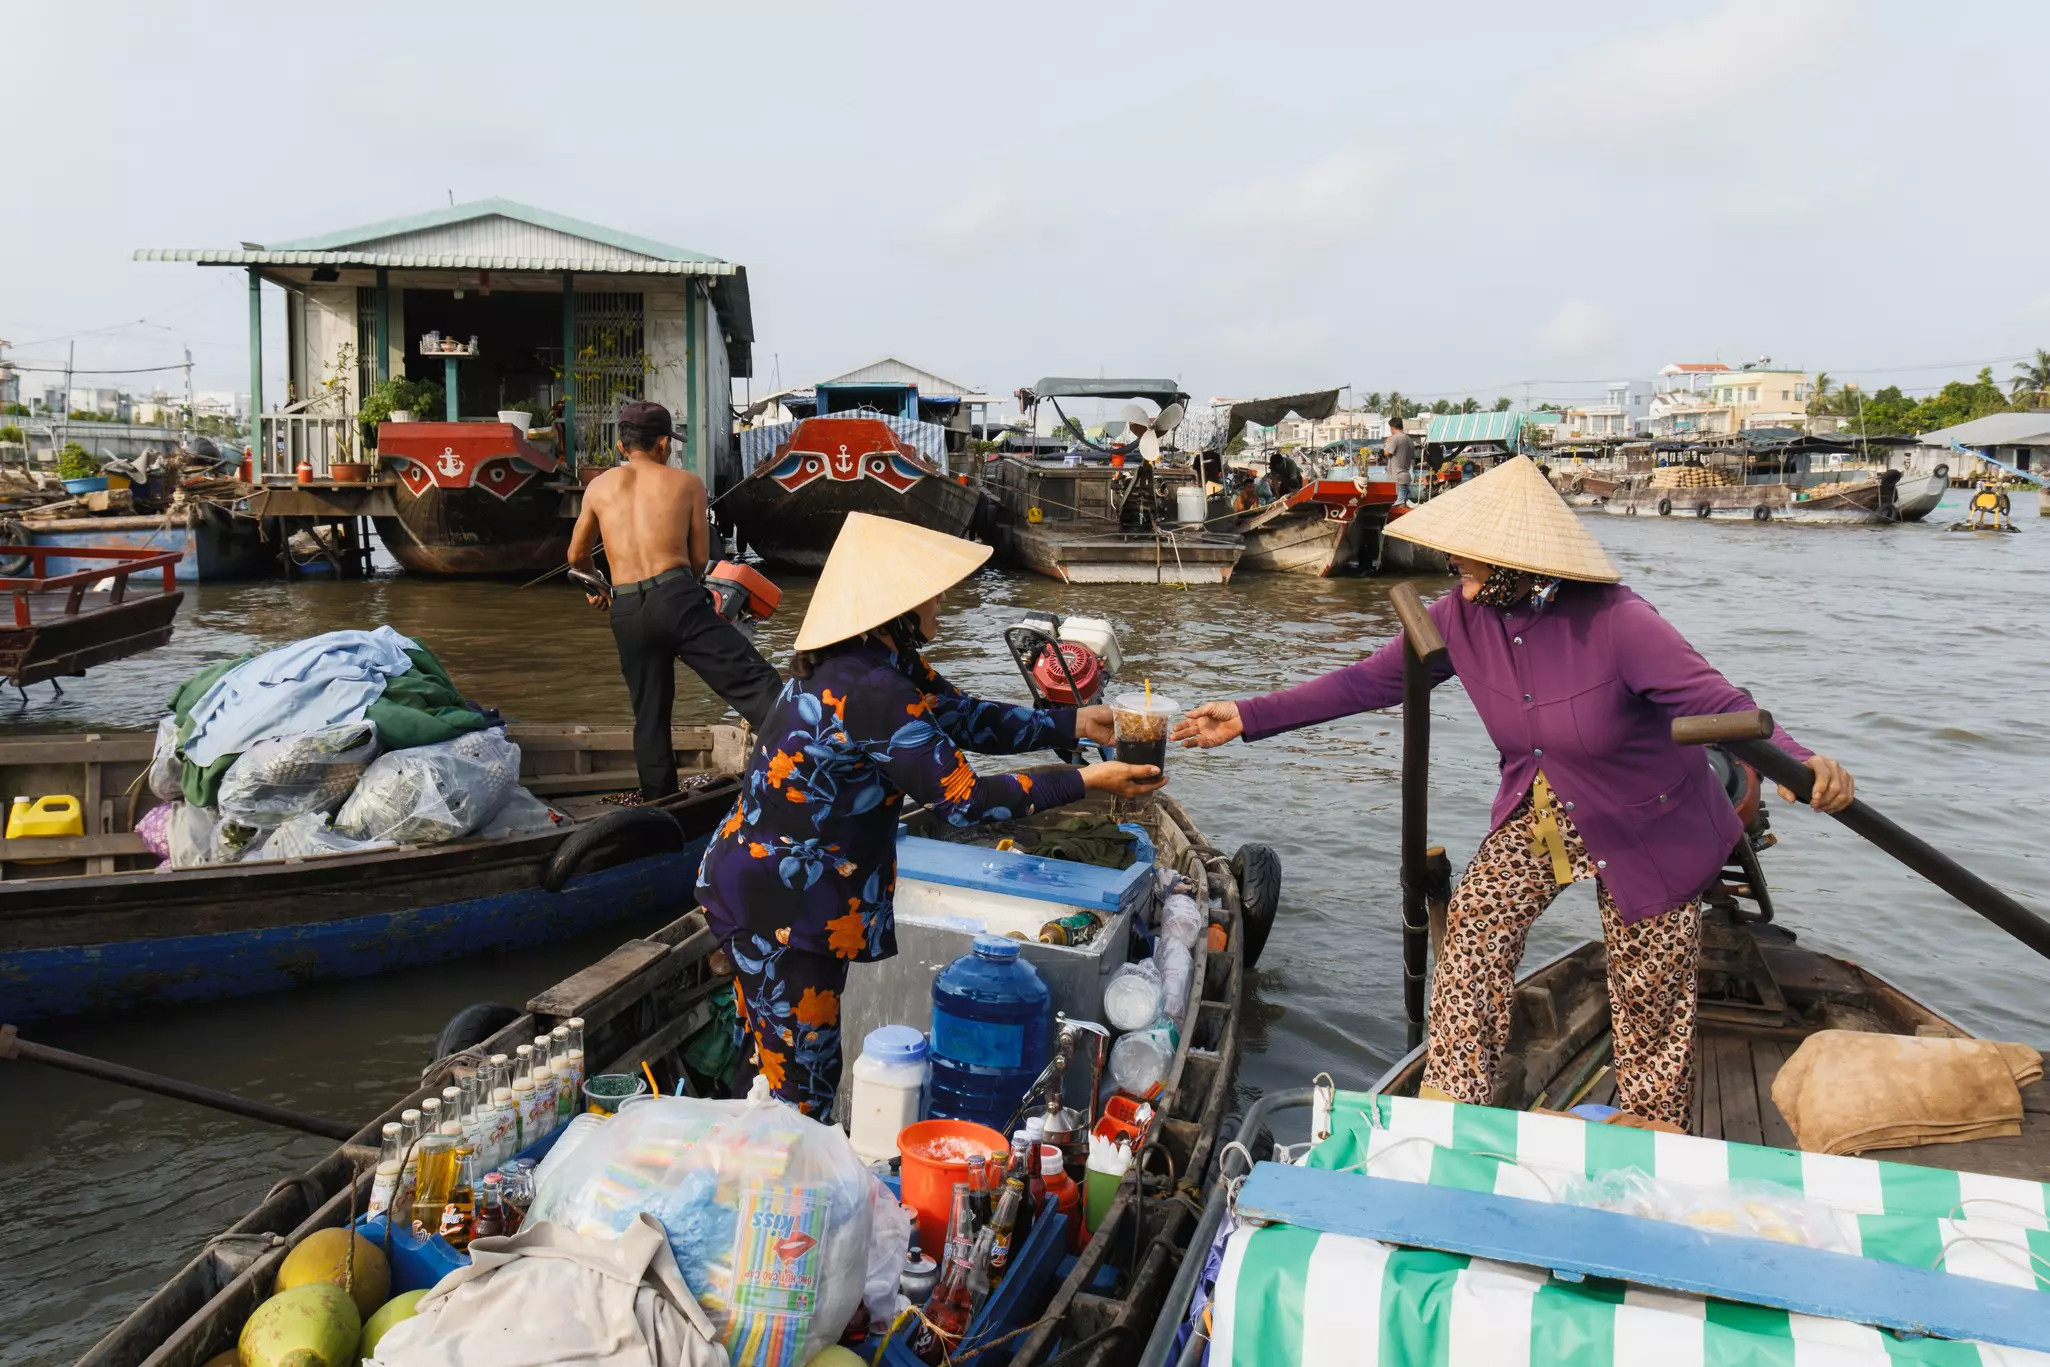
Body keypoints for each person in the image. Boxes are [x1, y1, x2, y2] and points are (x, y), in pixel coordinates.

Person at [1171, 457, 1854, 1129]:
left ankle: (1654, 1128)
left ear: (1522, 566)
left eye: (1471, 567)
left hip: (1652, 819)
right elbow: (1366, 681)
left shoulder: (1620, 623)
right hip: (1552, 804)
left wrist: (1801, 764)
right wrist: (1247, 714)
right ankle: (1455, 1095)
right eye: (1456, 566)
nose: (1458, 581)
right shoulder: (1462, 618)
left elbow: (1721, 701)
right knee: (1477, 922)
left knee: (1649, 989)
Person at [695, 512, 1166, 1115]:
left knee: (781, 1063)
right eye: (930, 592)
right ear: (895, 606)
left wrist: (1071, 722)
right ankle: (780, 1190)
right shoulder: (873, 689)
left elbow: (963, 716)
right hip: (782, 904)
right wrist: (1085, 778)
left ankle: (753, 1147)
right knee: (802, 1089)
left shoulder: (877, 663)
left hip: (775, 887)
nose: (943, 600)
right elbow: (965, 801)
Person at [567, 401, 782, 802]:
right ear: (663, 444)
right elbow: (700, 560)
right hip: (678, 598)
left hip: (627, 611)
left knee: (649, 718)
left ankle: (662, 808)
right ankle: (801, 770)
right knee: (758, 684)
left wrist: (598, 587)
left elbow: (576, 557)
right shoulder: (687, 484)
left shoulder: (598, 487)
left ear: (620, 447)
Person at [1385, 416, 1416, 504]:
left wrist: (1387, 444)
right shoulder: (1409, 439)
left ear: (1392, 428)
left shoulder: (1395, 438)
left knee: (1400, 503)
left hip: (1398, 477)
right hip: (1407, 476)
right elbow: (1413, 458)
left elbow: (1387, 454)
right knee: (1404, 502)